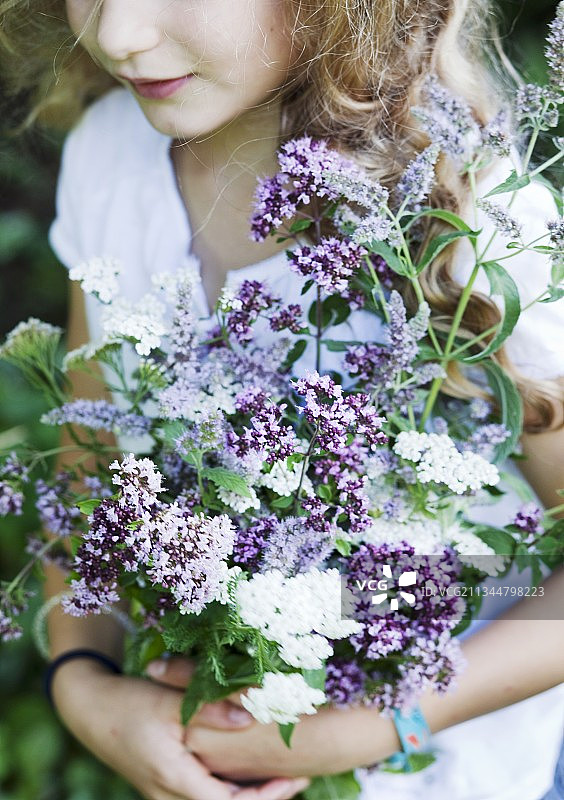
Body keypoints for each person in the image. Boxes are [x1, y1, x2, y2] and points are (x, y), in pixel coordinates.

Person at [1, 1, 563, 798]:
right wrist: (83, 682)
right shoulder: (111, 162)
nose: (120, 32)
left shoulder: (472, 220)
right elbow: (88, 477)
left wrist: (372, 727)